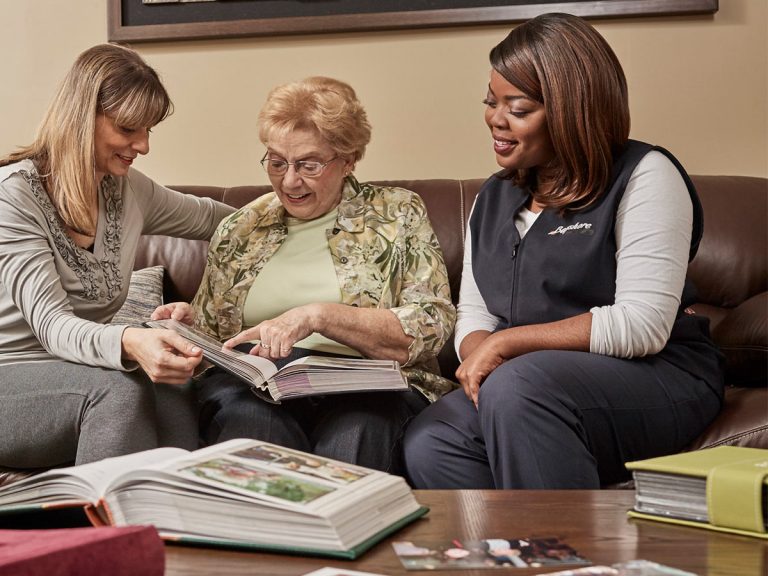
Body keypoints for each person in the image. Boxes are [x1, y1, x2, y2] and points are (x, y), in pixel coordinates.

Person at [403, 13, 724, 489]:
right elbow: (473, 315)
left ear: (573, 110)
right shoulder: (490, 199)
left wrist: (506, 346)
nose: (495, 118)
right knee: (433, 438)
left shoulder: (647, 175)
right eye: (491, 102)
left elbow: (643, 325)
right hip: (524, 386)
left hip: (655, 377)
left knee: (518, 389)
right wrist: (480, 357)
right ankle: (500, 560)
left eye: (518, 107)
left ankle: (563, 558)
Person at [152, 77, 456, 474]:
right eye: (277, 162)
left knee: (357, 433)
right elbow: (214, 340)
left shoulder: (398, 214)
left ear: (348, 160)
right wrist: (187, 324)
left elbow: (433, 322)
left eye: (309, 164)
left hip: (366, 389)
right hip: (257, 390)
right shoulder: (241, 228)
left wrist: (318, 317)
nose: (289, 180)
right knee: (250, 427)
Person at [0, 43, 234, 469]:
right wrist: (130, 339)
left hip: (76, 371)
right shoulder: (13, 197)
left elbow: (216, 220)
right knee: (118, 390)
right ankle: (103, 535)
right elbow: (52, 327)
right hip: (10, 377)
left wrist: (297, 210)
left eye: (148, 130)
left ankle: (179, 526)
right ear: (82, 117)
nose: (142, 145)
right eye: (129, 129)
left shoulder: (125, 189)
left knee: (172, 383)